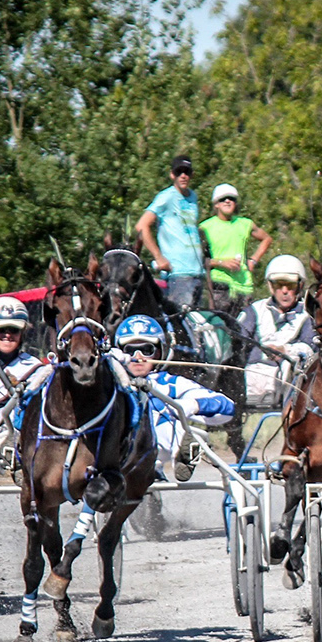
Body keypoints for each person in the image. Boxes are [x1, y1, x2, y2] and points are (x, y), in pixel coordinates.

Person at [113, 315, 235, 481]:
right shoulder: (107, 384)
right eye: (129, 350)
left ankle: (182, 450)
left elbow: (226, 406)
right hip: (110, 455)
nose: (138, 357)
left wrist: (189, 406)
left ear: (159, 352)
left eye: (146, 350)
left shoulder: (169, 383)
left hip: (153, 457)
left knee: (155, 405)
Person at [0, 295, 53, 455]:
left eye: (14, 329)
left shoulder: (35, 368)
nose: (7, 335)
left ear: (23, 330)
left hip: (10, 447)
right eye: (0, 329)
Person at [238, 254, 316, 408]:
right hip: (253, 373)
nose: (284, 291)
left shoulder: (309, 315)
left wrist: (284, 351)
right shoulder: (254, 311)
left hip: (291, 377)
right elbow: (239, 341)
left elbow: (310, 346)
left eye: (290, 286)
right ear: (270, 286)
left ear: (300, 286)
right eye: (278, 285)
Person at [136, 155, 204, 309]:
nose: (183, 176)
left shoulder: (193, 197)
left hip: (197, 272)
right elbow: (141, 226)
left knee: (198, 324)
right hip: (178, 273)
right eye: (179, 172)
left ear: (192, 174)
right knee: (183, 322)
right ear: (172, 174)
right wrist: (159, 257)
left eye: (186, 172)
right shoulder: (166, 197)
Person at [198, 183, 271, 318]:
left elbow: (266, 239)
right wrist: (221, 262)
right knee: (222, 328)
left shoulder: (245, 224)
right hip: (220, 285)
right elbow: (199, 260)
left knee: (245, 329)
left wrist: (253, 260)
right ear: (216, 204)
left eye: (231, 198)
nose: (227, 201)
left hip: (244, 285)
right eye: (223, 199)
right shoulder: (205, 227)